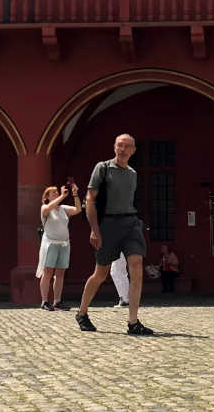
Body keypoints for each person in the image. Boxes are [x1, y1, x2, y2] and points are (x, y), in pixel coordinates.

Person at [76, 133, 153, 335]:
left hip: (131, 224)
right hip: (108, 225)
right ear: (114, 147)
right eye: (120, 145)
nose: (123, 149)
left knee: (136, 265)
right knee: (100, 273)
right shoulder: (102, 168)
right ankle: (82, 313)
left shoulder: (133, 173)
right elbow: (90, 199)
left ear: (133, 151)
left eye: (127, 146)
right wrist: (94, 229)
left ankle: (133, 322)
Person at [38, 180, 79, 311]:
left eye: (57, 192)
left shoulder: (63, 209)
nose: (56, 193)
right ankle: (44, 301)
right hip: (51, 244)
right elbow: (48, 208)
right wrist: (62, 196)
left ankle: (57, 301)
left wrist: (75, 195)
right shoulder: (45, 208)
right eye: (53, 192)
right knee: (48, 272)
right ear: (47, 197)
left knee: (60, 273)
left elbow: (78, 209)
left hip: (64, 244)